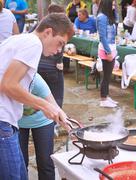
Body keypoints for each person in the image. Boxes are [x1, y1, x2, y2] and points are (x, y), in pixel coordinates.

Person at [0, 13, 74, 179]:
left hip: (7, 122)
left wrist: (56, 110)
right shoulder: (33, 44)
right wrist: (44, 105)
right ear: (48, 32)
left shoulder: (19, 39)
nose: (59, 50)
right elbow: (8, 85)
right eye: (60, 43)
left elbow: (33, 81)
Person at [18, 74, 57, 180]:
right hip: (16, 122)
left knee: (45, 162)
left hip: (43, 121)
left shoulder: (36, 81)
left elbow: (55, 108)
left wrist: (70, 127)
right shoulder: (8, 82)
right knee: (19, 163)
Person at [97, 0, 119, 108]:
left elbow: (118, 20)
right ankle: (103, 99)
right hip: (106, 50)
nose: (114, 6)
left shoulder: (109, 17)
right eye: (113, 4)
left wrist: (115, 11)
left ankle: (106, 96)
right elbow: (102, 37)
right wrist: (108, 52)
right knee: (106, 76)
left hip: (112, 48)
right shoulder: (101, 17)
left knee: (108, 75)